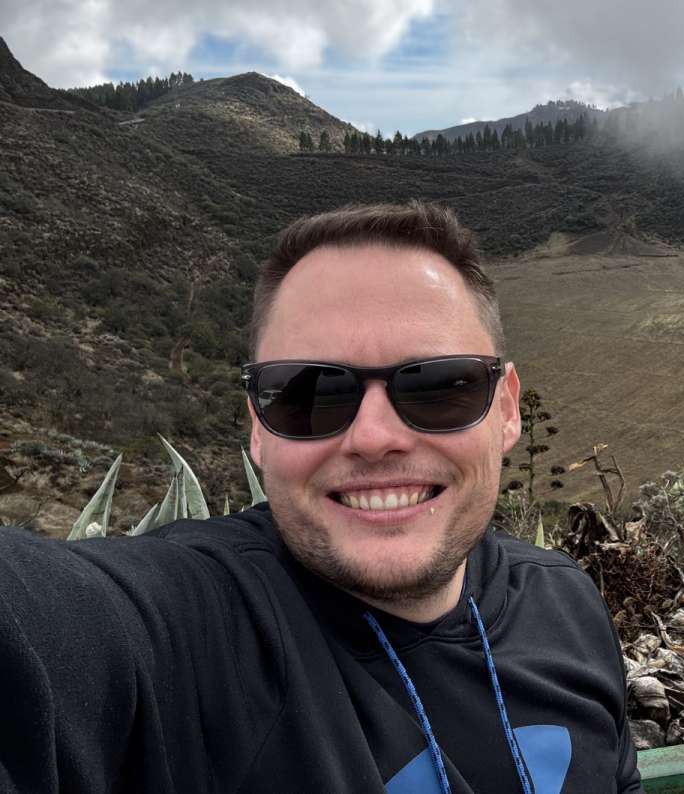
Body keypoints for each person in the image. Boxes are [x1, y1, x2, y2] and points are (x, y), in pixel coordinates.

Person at [0, 202, 644, 793]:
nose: (374, 437)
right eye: (309, 393)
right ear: (256, 426)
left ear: (506, 410)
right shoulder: (196, 631)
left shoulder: (566, 605)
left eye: (439, 386)